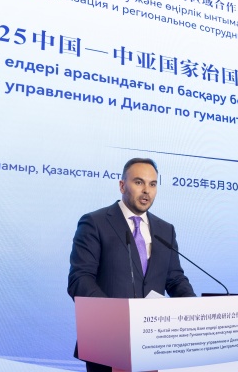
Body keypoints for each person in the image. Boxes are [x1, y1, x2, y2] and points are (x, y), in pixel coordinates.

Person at [68, 158, 195, 372]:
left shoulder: (165, 230)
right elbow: (80, 279)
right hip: (107, 341)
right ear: (122, 185)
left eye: (152, 184)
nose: (146, 190)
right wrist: (115, 318)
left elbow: (175, 279)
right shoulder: (95, 222)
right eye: (138, 182)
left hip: (154, 343)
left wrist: (193, 309)